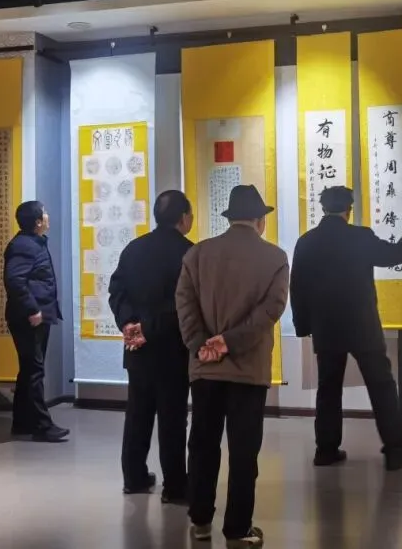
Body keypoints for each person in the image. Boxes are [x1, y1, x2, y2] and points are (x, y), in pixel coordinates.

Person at [176, 185, 289, 548]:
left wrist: (201, 344)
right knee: (243, 452)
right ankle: (238, 529)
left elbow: (184, 304)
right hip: (248, 369)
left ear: (229, 218)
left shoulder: (197, 253)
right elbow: (271, 310)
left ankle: (200, 521)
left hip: (205, 368)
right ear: (260, 221)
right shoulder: (275, 258)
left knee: (203, 445)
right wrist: (231, 341)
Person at [290, 186, 402, 471]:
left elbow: (296, 286)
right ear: (348, 210)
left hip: (326, 327)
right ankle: (395, 451)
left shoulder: (307, 242)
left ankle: (325, 450)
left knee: (328, 388)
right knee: (381, 386)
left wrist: (303, 326)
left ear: (323, 208)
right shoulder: (360, 237)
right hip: (363, 326)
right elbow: (392, 255)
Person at [109, 190, 194, 502]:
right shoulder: (189, 253)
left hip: (137, 348)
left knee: (138, 413)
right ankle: (175, 486)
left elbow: (116, 291)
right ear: (184, 218)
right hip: (173, 348)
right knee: (173, 418)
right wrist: (151, 328)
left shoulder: (134, 249)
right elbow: (185, 305)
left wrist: (128, 323)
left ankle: (133, 478)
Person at [4, 200, 68, 443]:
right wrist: (32, 309)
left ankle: (22, 422)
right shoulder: (24, 245)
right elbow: (15, 280)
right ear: (38, 221)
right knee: (34, 371)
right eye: (45, 213)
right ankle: (42, 425)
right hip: (29, 318)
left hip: (36, 315)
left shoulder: (33, 242)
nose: (48, 216)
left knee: (29, 369)